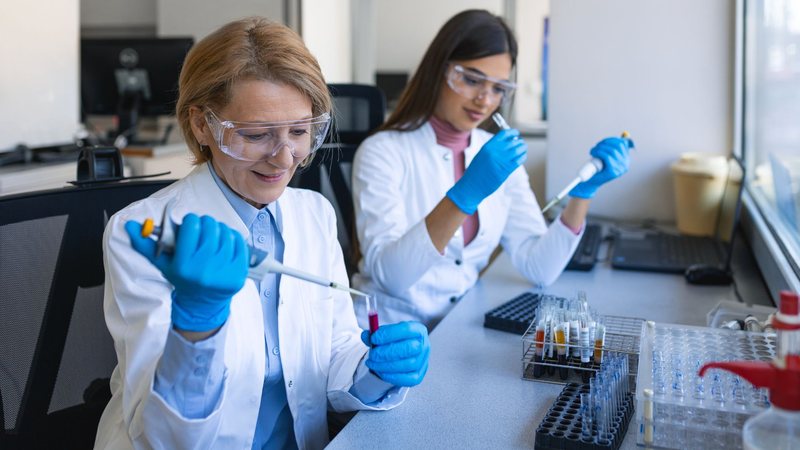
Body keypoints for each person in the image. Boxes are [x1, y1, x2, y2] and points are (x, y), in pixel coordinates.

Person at [95, 17, 429, 450]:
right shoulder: (145, 233)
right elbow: (165, 437)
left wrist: (374, 370)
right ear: (202, 126)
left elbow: (333, 354)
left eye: (299, 131)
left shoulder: (315, 214)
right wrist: (196, 329)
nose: (284, 159)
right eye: (255, 135)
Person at [351, 9, 632, 328]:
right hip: (386, 335)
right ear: (438, 71)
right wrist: (465, 195)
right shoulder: (382, 152)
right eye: (471, 80)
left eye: (499, 88)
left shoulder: (497, 154)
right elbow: (391, 278)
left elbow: (539, 267)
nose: (485, 99)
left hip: (456, 333)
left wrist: (584, 191)